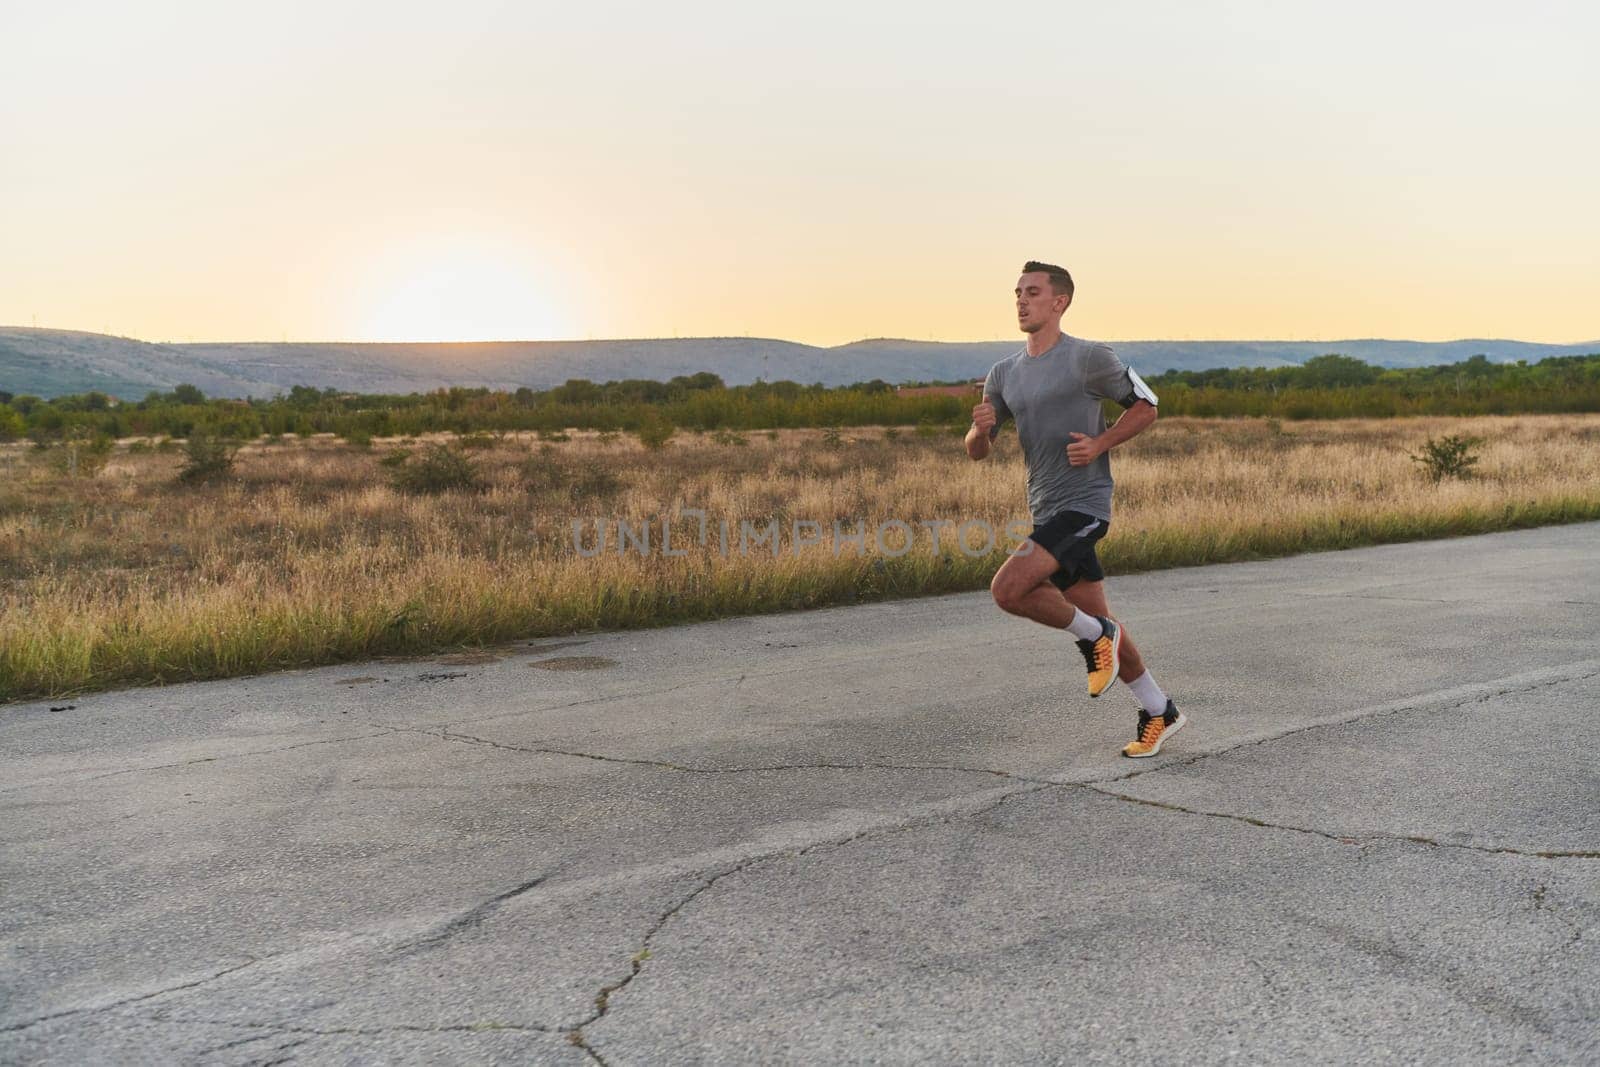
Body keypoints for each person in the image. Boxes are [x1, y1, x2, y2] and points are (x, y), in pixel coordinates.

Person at [965, 260, 1184, 758]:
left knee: (1009, 589)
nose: (1021, 300)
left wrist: (1102, 442)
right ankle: (1158, 709)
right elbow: (979, 450)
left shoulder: (1089, 358)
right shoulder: (1003, 374)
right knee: (1095, 614)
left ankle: (1094, 637)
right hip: (1045, 507)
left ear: (1059, 301)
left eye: (1033, 292)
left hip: (1084, 505)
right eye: (1017, 292)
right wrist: (979, 430)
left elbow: (1147, 404)